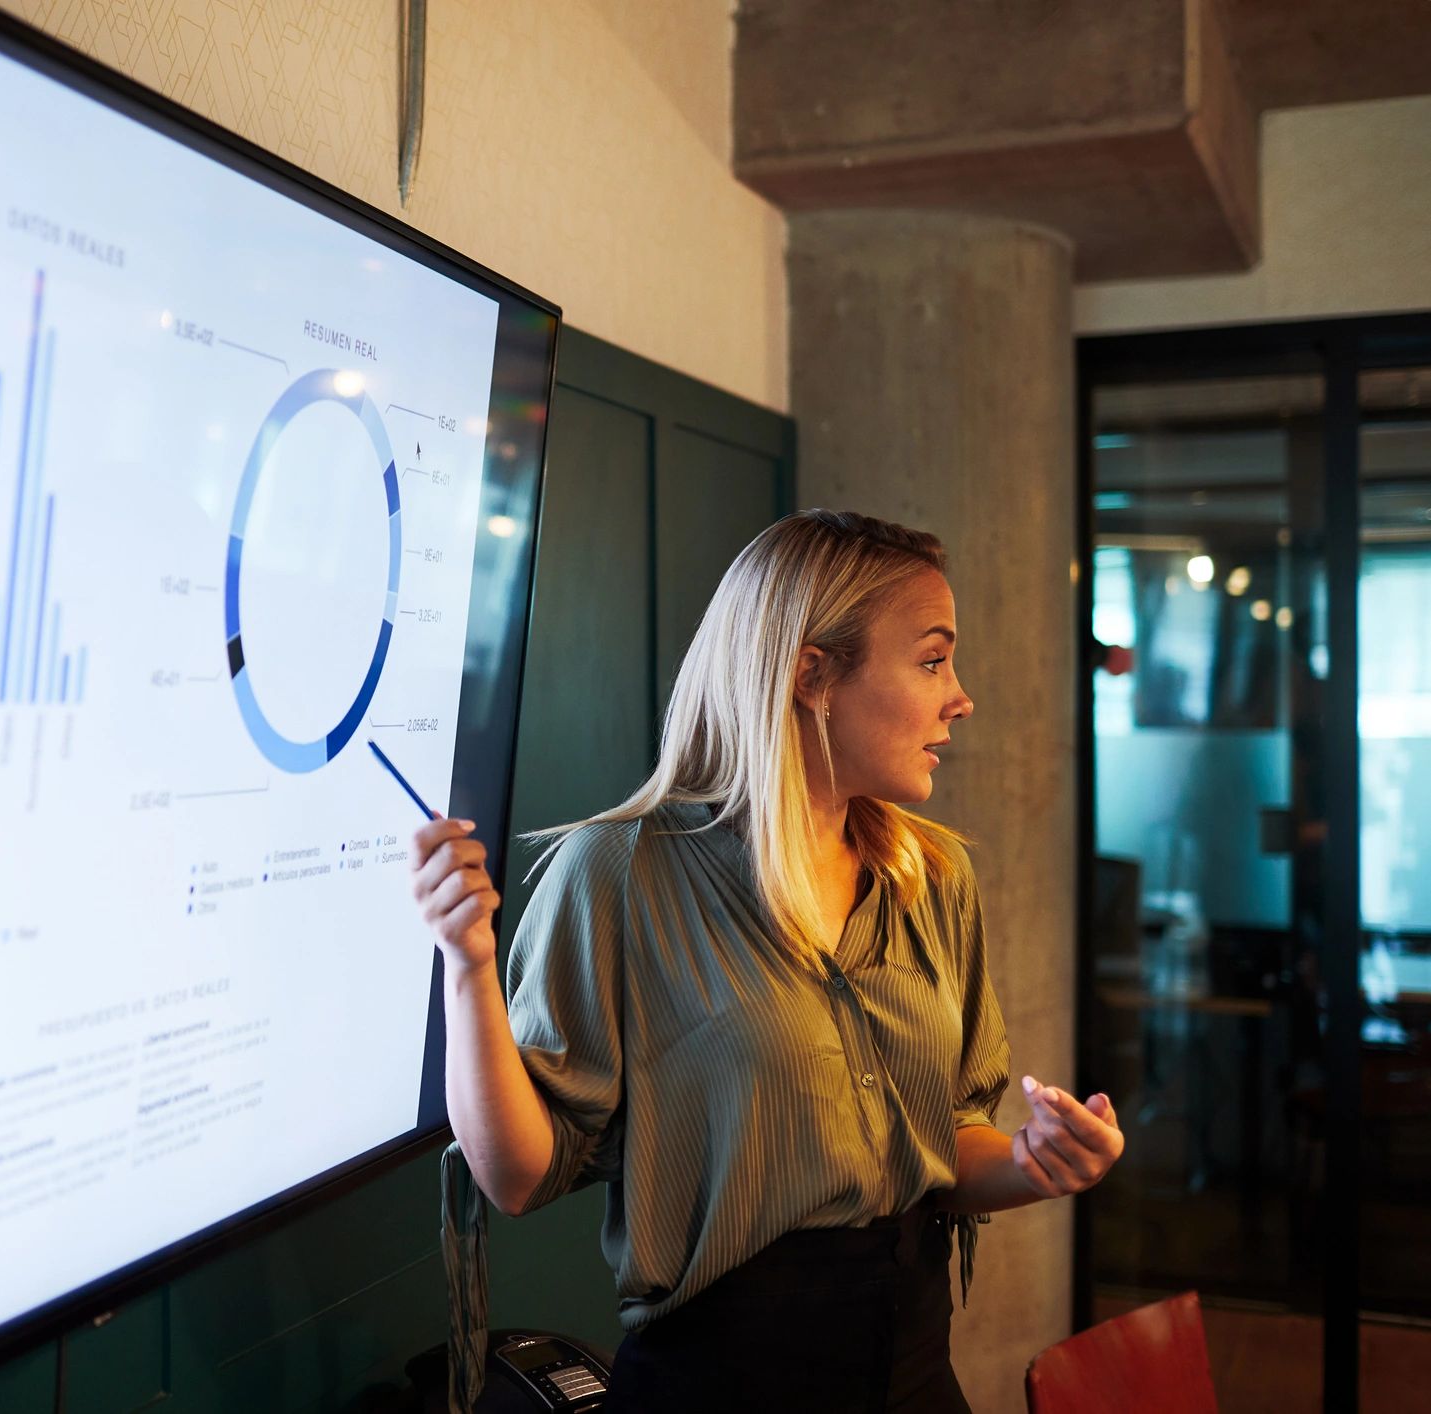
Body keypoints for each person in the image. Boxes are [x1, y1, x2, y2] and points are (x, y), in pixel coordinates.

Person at [412, 510, 1124, 1413]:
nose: (961, 696)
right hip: (719, 1382)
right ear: (810, 673)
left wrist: (1037, 1163)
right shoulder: (618, 871)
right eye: (932, 659)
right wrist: (468, 966)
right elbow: (515, 1175)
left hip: (914, 1373)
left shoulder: (931, 873)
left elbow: (947, 1137)